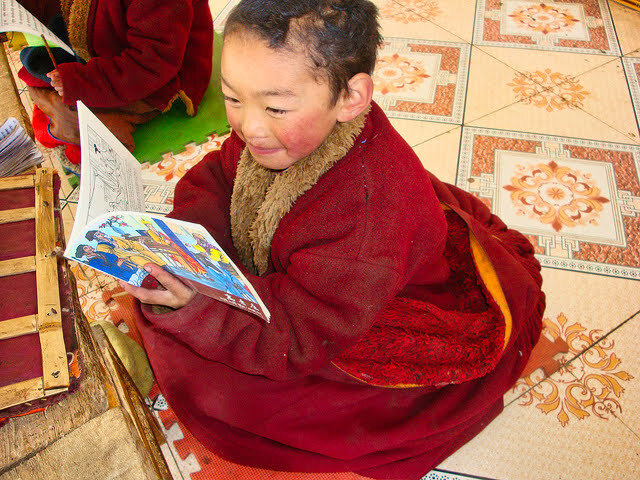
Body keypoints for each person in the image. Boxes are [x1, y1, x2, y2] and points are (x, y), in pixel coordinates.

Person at [123, 1, 546, 479]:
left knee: (227, 394)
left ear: (351, 97)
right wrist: (187, 239)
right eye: (233, 99)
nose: (250, 126)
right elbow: (220, 175)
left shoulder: (365, 214)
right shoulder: (284, 131)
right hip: (335, 283)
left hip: (372, 312)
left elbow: (298, 333)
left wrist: (200, 304)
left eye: (276, 107)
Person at [16, 0, 213, 164]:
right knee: (38, 68)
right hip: (100, 43)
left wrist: (80, 81)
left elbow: (153, 62)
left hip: (153, 77)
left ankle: (63, 115)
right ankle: (58, 109)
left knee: (82, 129)